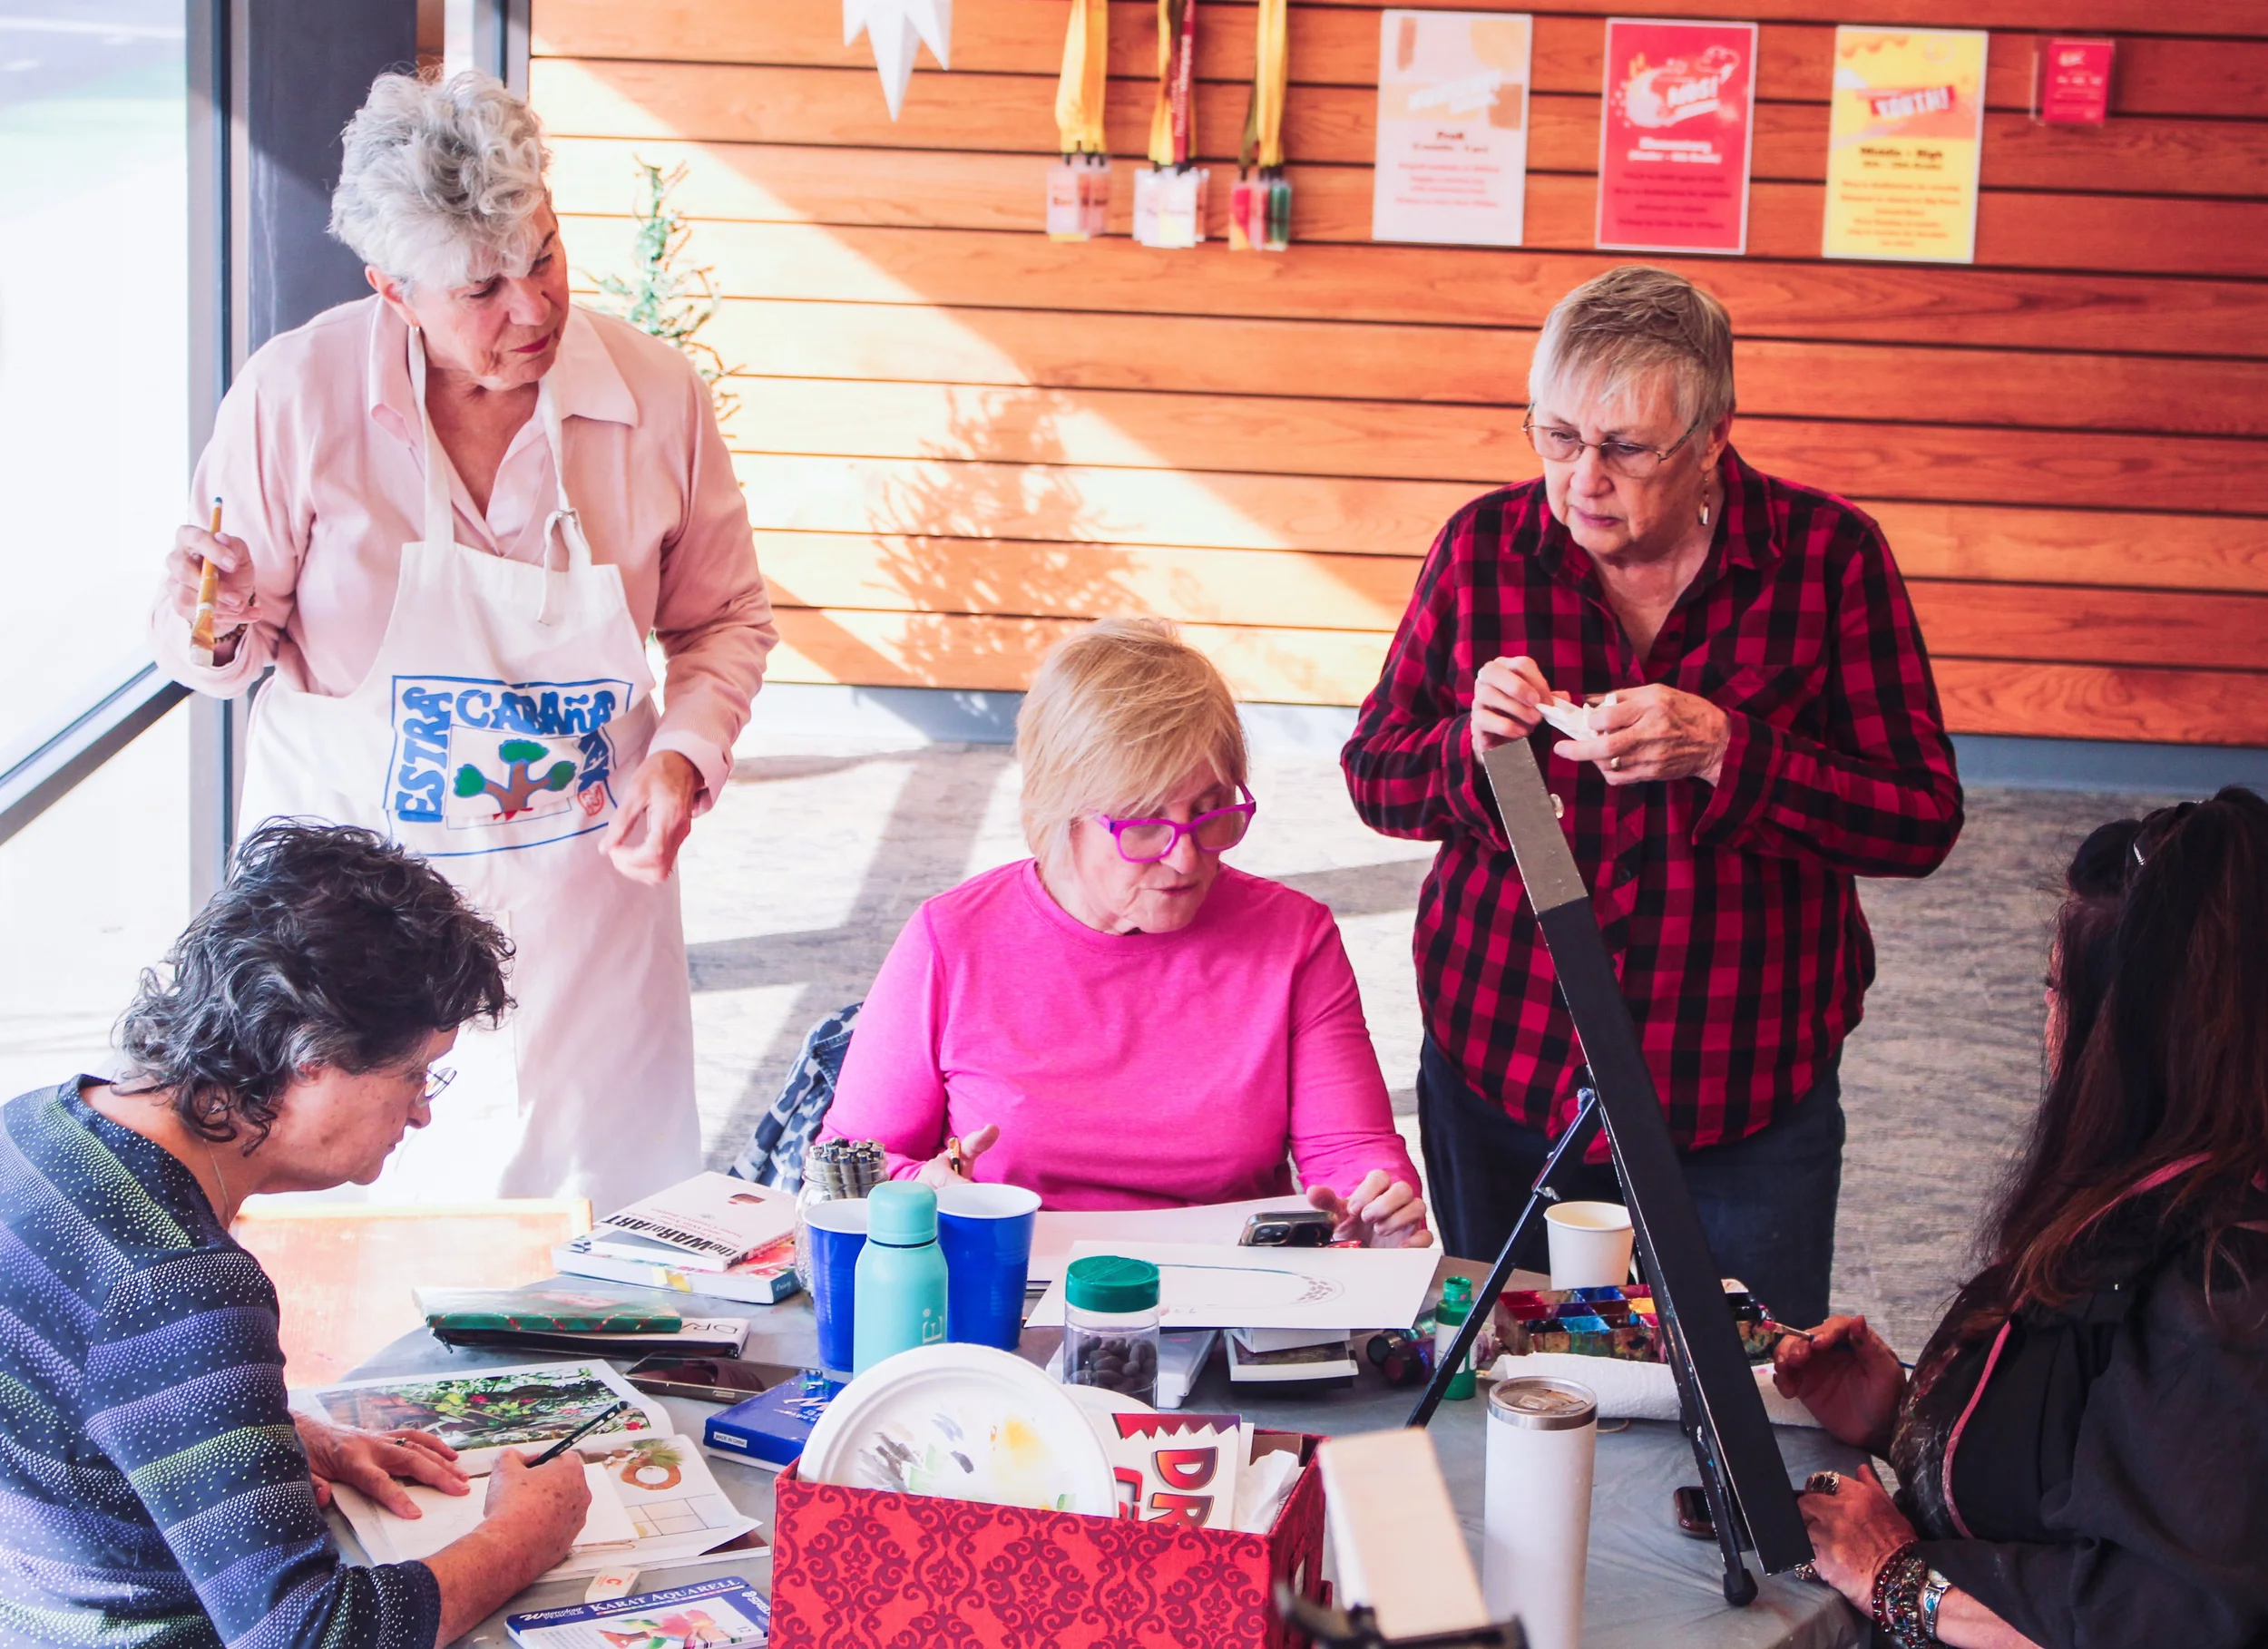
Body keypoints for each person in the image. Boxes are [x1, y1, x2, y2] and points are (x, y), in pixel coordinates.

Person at [148, 73, 776, 1215]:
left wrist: (683, 754)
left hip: (585, 911)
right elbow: (220, 659)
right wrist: (215, 611)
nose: (532, 310)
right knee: (353, 1244)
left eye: (543, 256)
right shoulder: (297, 397)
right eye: (482, 287)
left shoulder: (655, 397)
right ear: (393, 288)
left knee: (596, 1242)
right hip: (348, 934)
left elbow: (721, 617)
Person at [1342, 264, 1962, 1322]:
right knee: (1509, 1377)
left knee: (1746, 1401)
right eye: (1557, 436)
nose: (1583, 479)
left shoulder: (1827, 559)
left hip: (1739, 1089)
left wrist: (1731, 749)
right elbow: (1376, 775)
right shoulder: (1481, 549)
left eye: (1626, 448)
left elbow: (1917, 820)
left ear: (1713, 436)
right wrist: (1470, 750)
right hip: (1503, 1064)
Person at [0, 822, 595, 1647]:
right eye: (415, 1074)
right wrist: (524, 1536)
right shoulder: (181, 1285)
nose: (422, 1110)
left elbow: (71, 1404)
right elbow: (306, 1636)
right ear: (309, 1054)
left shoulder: (31, 1128)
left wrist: (267, 1440)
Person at [1774, 789, 2268, 1648]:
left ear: (2136, 1041)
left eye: (2056, 995)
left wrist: (1905, 1583)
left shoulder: (2222, 1300)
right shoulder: (2156, 1197)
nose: (2048, 1027)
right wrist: (1911, 1421)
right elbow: (2093, 1446)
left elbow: (2168, 1617)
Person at [821, 619, 1431, 1245]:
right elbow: (848, 1167)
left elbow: (1351, 1152)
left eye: (1209, 811)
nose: (1187, 857)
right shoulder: (952, 940)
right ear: (1063, 810)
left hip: (1226, 1293)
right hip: (1007, 1285)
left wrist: (1377, 1211)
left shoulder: (1294, 938)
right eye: (1144, 824)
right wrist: (926, 1189)